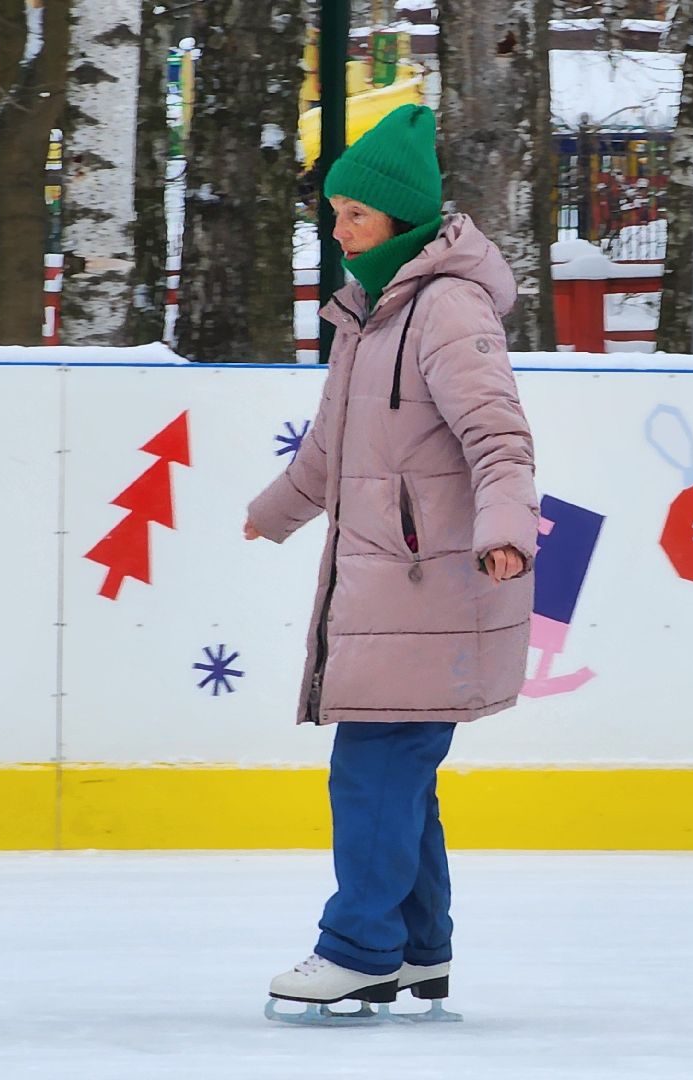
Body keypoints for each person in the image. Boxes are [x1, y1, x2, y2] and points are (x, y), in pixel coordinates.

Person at [243, 103, 539, 1011]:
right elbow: (333, 451)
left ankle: (361, 945)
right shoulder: (370, 313)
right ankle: (416, 945)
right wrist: (275, 511)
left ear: (400, 219)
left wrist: (505, 533)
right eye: (332, 214)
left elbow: (500, 438)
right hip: (385, 583)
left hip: (433, 582)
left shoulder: (444, 310)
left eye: (354, 216)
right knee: (398, 764)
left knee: (374, 766)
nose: (337, 231)